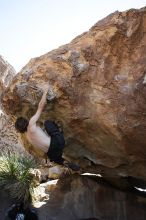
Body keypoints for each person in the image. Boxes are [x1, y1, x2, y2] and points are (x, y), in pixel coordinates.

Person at [15, 85, 80, 171]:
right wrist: (45, 92)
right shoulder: (31, 124)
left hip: (52, 154)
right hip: (57, 142)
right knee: (47, 123)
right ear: (25, 121)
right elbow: (40, 106)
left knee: (58, 159)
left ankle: (66, 163)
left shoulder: (28, 137)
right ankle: (58, 131)